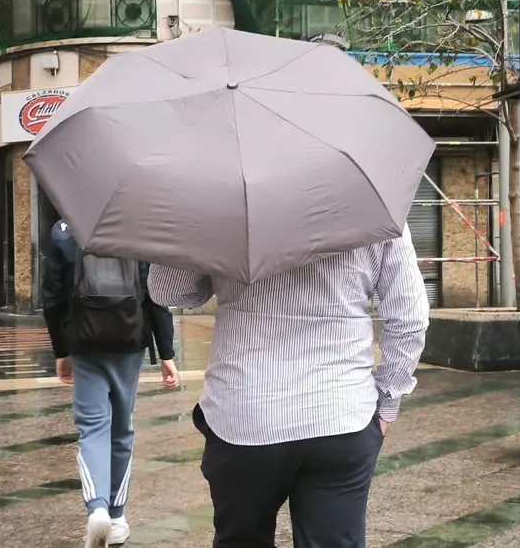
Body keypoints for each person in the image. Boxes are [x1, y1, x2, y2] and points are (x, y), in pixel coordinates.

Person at [148, 226, 429, 548]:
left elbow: (170, 292)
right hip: (341, 412)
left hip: (244, 413)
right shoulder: (376, 203)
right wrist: (387, 402)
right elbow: (410, 318)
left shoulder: (221, 202)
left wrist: (188, 225)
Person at [41, 220, 180, 548]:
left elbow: (52, 297)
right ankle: (117, 517)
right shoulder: (140, 227)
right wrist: (167, 353)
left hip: (85, 342)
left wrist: (61, 350)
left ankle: (97, 509)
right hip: (129, 340)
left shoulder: (65, 230)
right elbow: (154, 294)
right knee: (122, 429)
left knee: (93, 429)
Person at [139, 262, 177, 369]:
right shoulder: (140, 249)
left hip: (89, 334)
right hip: (127, 334)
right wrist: (167, 356)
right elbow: (156, 300)